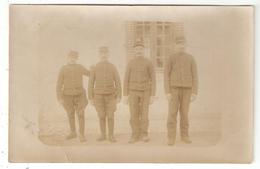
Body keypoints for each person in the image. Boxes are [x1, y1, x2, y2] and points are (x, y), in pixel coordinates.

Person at [164, 36, 199, 146]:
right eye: (179, 44)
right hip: (174, 89)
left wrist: (194, 92)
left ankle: (185, 136)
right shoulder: (171, 58)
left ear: (185, 45)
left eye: (183, 44)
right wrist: (167, 92)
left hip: (187, 90)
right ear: (175, 46)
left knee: (185, 113)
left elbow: (195, 76)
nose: (181, 46)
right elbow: (166, 75)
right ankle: (171, 137)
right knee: (172, 113)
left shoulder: (191, 58)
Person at [123, 39, 156, 143]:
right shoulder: (130, 63)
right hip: (133, 92)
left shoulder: (148, 62)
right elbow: (126, 79)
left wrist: (152, 95)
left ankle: (144, 134)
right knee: (133, 114)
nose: (139, 51)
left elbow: (153, 79)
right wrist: (125, 95)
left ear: (143, 50)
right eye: (137, 49)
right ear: (134, 50)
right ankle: (134, 134)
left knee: (145, 114)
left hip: (146, 91)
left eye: (141, 49)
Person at [88, 47, 121, 142]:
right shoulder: (95, 67)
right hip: (98, 96)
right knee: (101, 115)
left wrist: (119, 95)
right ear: (99, 55)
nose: (104, 55)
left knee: (110, 116)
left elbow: (118, 81)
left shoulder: (112, 66)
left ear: (108, 54)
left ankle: (111, 135)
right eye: (101, 53)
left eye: (105, 53)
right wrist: (90, 97)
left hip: (111, 96)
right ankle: (103, 135)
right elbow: (91, 83)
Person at [56, 50, 89, 142]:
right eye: (71, 57)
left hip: (80, 95)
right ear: (68, 58)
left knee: (81, 114)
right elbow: (59, 84)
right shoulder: (63, 69)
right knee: (70, 114)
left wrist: (94, 69)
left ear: (76, 58)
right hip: (67, 96)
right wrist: (59, 97)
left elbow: (89, 74)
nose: (72, 59)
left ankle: (81, 134)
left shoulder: (80, 67)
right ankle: (73, 132)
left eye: (74, 57)